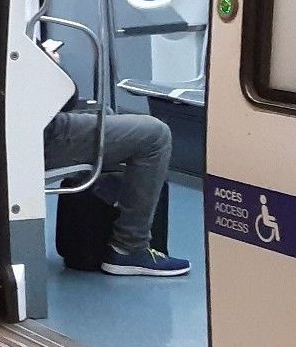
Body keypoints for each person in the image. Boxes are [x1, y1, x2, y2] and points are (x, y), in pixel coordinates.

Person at [45, 109, 190, 276]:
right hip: (39, 137)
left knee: (104, 112)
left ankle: (91, 244)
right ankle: (129, 247)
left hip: (29, 131)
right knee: (156, 135)